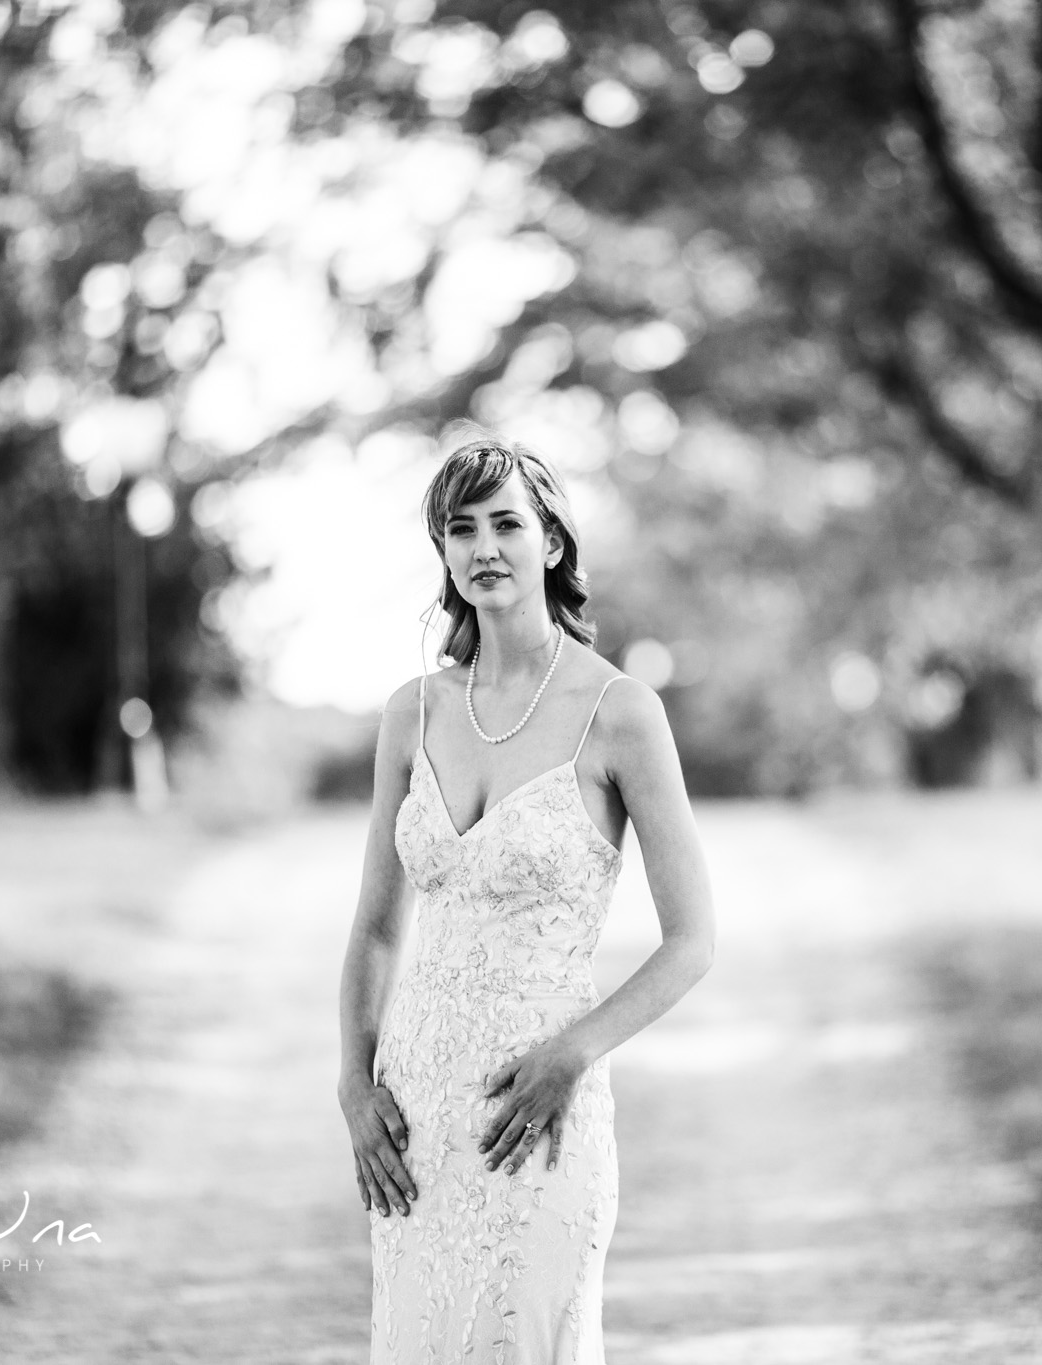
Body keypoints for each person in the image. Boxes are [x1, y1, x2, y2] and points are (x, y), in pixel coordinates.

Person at [337, 437, 716, 1364]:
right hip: (415, 1112)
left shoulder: (620, 711)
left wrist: (572, 1053)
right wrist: (354, 1081)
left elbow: (693, 939)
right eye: (460, 530)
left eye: (507, 523)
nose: (484, 548)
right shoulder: (410, 712)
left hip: (539, 1110)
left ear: (551, 542)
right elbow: (379, 927)